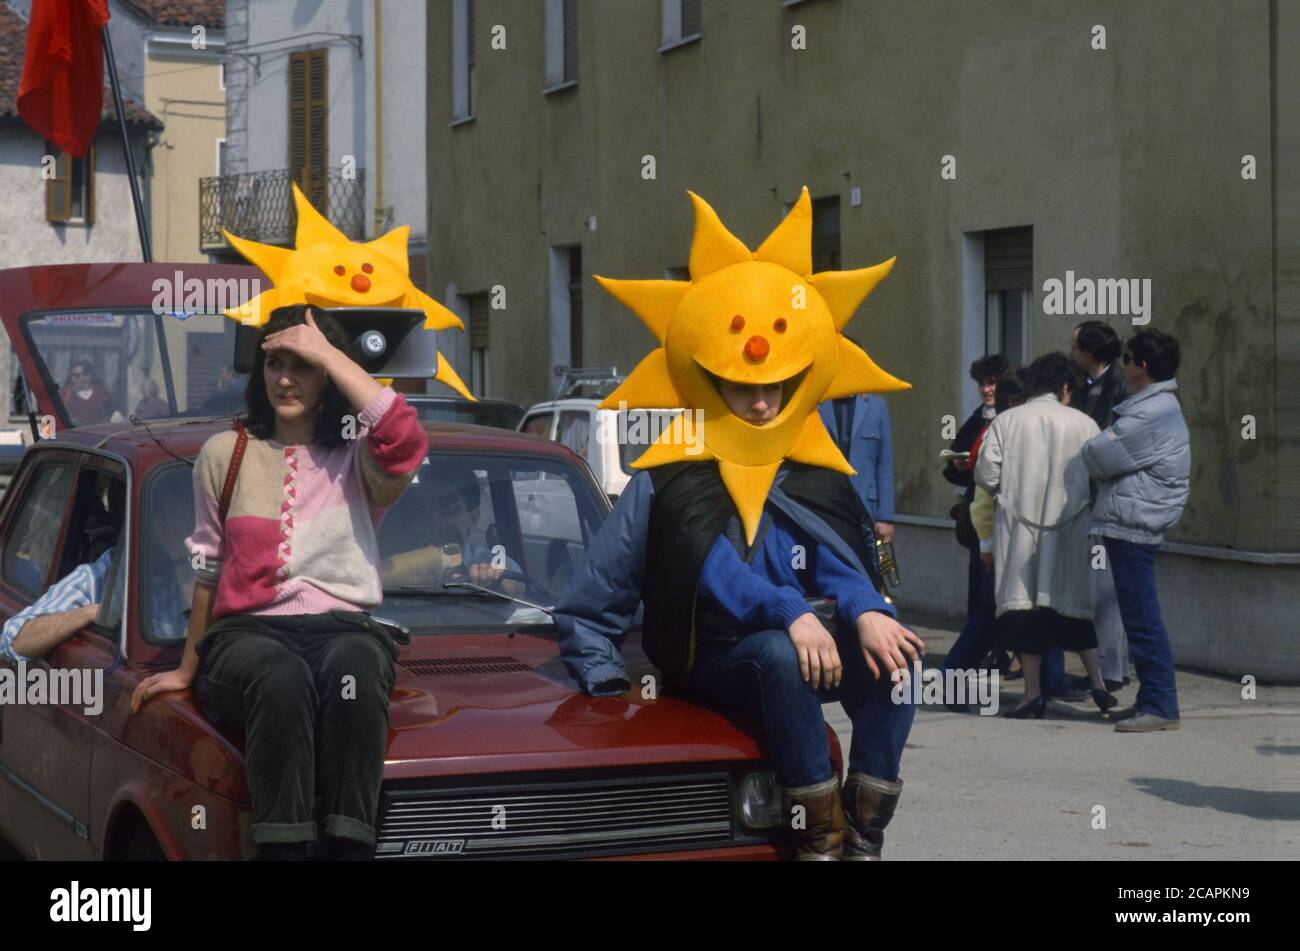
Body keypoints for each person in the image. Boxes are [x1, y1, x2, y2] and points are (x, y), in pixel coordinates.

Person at [557, 373, 924, 861]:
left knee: (899, 658)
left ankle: (861, 837)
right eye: (743, 390)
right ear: (712, 391)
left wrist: (868, 610)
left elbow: (835, 559)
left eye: (772, 390)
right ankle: (819, 840)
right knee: (778, 652)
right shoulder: (672, 477)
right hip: (711, 655)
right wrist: (789, 610)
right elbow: (711, 568)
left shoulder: (808, 471)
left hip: (798, 646)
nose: (761, 404)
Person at [130, 303, 429, 860]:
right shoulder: (227, 452)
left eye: (304, 365)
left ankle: (348, 845)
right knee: (281, 676)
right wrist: (187, 669)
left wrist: (331, 353)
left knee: (358, 668)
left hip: (343, 629)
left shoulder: (359, 457)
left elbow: (405, 438)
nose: (285, 379)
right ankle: (284, 849)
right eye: (274, 363)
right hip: (247, 636)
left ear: (329, 374)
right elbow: (208, 570)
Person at [974, 353, 1116, 719]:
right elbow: (1101, 471)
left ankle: (1032, 694)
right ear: (1065, 387)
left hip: (1019, 529)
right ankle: (1099, 683)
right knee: (1074, 609)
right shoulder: (1084, 424)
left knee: (1025, 613)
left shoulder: (1007, 422)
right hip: (1069, 527)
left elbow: (986, 475)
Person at [1081, 329, 1190, 732]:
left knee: (1142, 618)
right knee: (1137, 615)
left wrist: (1098, 441)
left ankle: (1161, 704)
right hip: (1134, 519)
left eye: (1128, 358)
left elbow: (1096, 455)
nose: (1124, 365)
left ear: (1142, 366)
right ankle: (1151, 699)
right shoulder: (1153, 407)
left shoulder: (1150, 413)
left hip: (1135, 524)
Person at [939, 368, 1028, 707]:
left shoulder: (1005, 425)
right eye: (981, 383)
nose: (985, 389)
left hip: (1003, 535)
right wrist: (987, 544)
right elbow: (982, 493)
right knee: (987, 611)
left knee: (996, 612)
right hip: (995, 535)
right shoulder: (993, 426)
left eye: (990, 382)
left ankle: (1038, 685)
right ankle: (952, 679)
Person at [1068, 320, 1130, 692]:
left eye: (1075, 346)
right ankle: (1111, 668)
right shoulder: (1088, 386)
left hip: (1106, 499)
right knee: (1101, 588)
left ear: (1089, 352)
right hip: (1092, 496)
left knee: (1106, 589)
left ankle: (1111, 672)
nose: (1071, 352)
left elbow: (1112, 440)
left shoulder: (1116, 386)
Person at [380, 460, 522, 594]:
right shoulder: (392, 564)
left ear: (473, 518)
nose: (432, 517)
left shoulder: (489, 562)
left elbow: (514, 583)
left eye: (448, 506)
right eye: (421, 508)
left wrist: (498, 582)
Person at [818, 352, 896, 543]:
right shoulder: (815, 405)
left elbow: (884, 465)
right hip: (825, 507)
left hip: (865, 508)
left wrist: (885, 517)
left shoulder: (877, 407)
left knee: (865, 569)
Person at [63, 359, 117, 426]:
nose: (73, 378)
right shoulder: (66, 395)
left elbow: (112, 414)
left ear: (88, 377)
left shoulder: (102, 393)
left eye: (77, 375)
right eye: (72, 375)